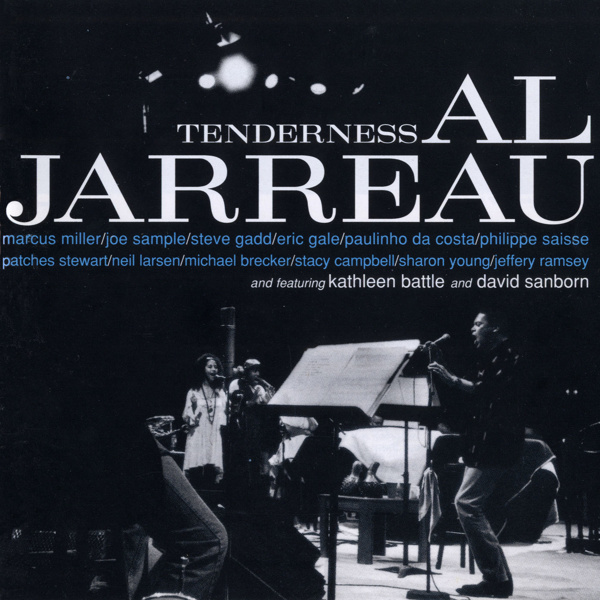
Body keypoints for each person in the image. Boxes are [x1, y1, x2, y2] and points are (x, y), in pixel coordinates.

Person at [428, 311, 524, 599]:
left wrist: (451, 379)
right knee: (468, 504)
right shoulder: (491, 356)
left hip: (496, 443)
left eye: (479, 324)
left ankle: (496, 578)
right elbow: (478, 391)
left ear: (495, 328)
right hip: (484, 442)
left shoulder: (509, 356)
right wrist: (449, 377)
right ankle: (498, 579)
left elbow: (487, 392)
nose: (472, 329)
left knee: (466, 504)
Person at [227, 359, 280, 500]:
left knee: (259, 464)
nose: (257, 374)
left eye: (258, 371)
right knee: (242, 465)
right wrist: (254, 399)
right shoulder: (236, 384)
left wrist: (269, 398)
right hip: (242, 430)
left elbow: (264, 408)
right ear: (246, 371)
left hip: (257, 430)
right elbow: (237, 407)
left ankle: (258, 496)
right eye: (253, 370)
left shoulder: (259, 387)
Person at [182, 354, 228, 487]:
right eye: (210, 367)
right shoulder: (194, 391)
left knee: (212, 469)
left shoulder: (220, 392)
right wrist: (194, 408)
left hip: (214, 432)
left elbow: (225, 413)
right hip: (198, 433)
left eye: (215, 367)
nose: (213, 369)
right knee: (196, 469)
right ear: (202, 369)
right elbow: (187, 416)